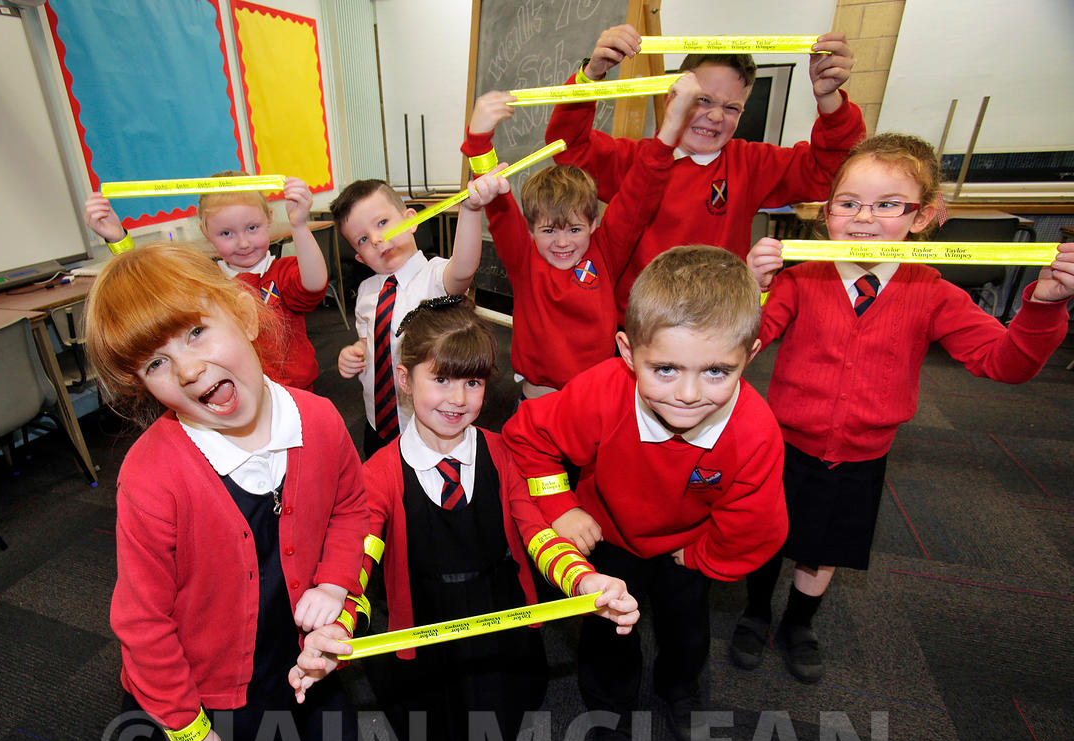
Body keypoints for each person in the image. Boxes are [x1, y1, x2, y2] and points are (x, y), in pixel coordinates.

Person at [731, 133, 1074, 684]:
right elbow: (735, 351)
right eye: (848, 203)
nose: (864, 218)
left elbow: (1004, 363)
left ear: (923, 216)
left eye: (888, 204)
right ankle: (753, 614)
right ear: (826, 212)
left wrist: (1044, 306)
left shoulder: (932, 292)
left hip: (862, 455)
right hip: (785, 443)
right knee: (768, 535)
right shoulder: (799, 280)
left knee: (823, 549)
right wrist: (751, 291)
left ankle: (798, 623)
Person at [292, 296, 639, 741]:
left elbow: (539, 535)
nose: (458, 398)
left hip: (499, 605)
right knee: (441, 708)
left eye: (473, 382)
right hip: (427, 614)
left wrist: (585, 581)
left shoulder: (503, 453)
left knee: (498, 700)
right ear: (405, 379)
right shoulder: (379, 474)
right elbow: (358, 566)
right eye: (441, 379)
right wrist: (339, 628)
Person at [86, 243, 368, 741]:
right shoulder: (151, 476)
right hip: (196, 688)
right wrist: (188, 731)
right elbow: (142, 622)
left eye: (196, 333)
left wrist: (335, 583)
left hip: (282, 655)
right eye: (155, 364)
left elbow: (350, 508)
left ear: (243, 314)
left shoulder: (319, 419)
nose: (188, 370)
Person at [502, 247, 788, 741]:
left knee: (687, 630)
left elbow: (755, 526)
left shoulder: (755, 431)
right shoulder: (602, 391)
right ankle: (610, 714)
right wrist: (561, 506)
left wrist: (698, 557)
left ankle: (680, 688)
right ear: (629, 352)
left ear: (749, 355)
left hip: (688, 548)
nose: (688, 395)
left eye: (717, 371)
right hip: (607, 538)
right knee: (607, 634)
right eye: (665, 369)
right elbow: (528, 437)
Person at [545, 25, 865, 323]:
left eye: (731, 108)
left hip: (712, 330)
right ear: (672, 96)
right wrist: (591, 74)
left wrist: (829, 99)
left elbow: (833, 172)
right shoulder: (635, 160)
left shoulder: (750, 164)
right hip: (635, 330)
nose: (715, 116)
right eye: (703, 100)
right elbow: (568, 146)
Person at [460, 77, 701, 397]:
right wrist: (478, 138)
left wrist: (671, 127)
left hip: (594, 399)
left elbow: (640, 191)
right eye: (549, 231)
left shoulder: (606, 252)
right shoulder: (524, 258)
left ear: (593, 223)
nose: (562, 242)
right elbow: (495, 197)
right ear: (530, 229)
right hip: (540, 400)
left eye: (574, 229)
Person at [84, 171, 330, 391]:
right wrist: (118, 240)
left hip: (292, 391)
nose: (243, 243)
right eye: (226, 233)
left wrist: (299, 225)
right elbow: (152, 287)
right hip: (232, 393)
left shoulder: (281, 273)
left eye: (252, 228)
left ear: (269, 219)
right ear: (206, 232)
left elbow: (315, 283)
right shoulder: (205, 280)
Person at [331, 174, 503, 457]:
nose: (376, 239)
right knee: (381, 476)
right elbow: (368, 340)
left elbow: (463, 268)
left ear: (411, 220)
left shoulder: (434, 277)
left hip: (428, 424)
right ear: (359, 257)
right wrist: (355, 352)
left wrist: (471, 210)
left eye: (382, 223)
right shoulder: (366, 292)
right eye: (362, 239)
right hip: (376, 422)